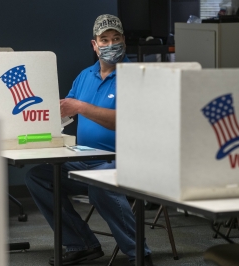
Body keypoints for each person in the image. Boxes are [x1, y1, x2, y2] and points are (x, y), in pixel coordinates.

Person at [25, 14, 153, 266]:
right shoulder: (85, 76)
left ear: (124, 41)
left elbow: (125, 121)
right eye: (104, 40)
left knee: (98, 183)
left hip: (123, 161)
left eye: (116, 38)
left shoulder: (137, 76)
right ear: (94, 45)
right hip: (84, 158)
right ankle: (81, 244)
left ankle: (139, 254)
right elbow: (67, 110)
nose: (110, 44)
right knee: (37, 176)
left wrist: (81, 106)